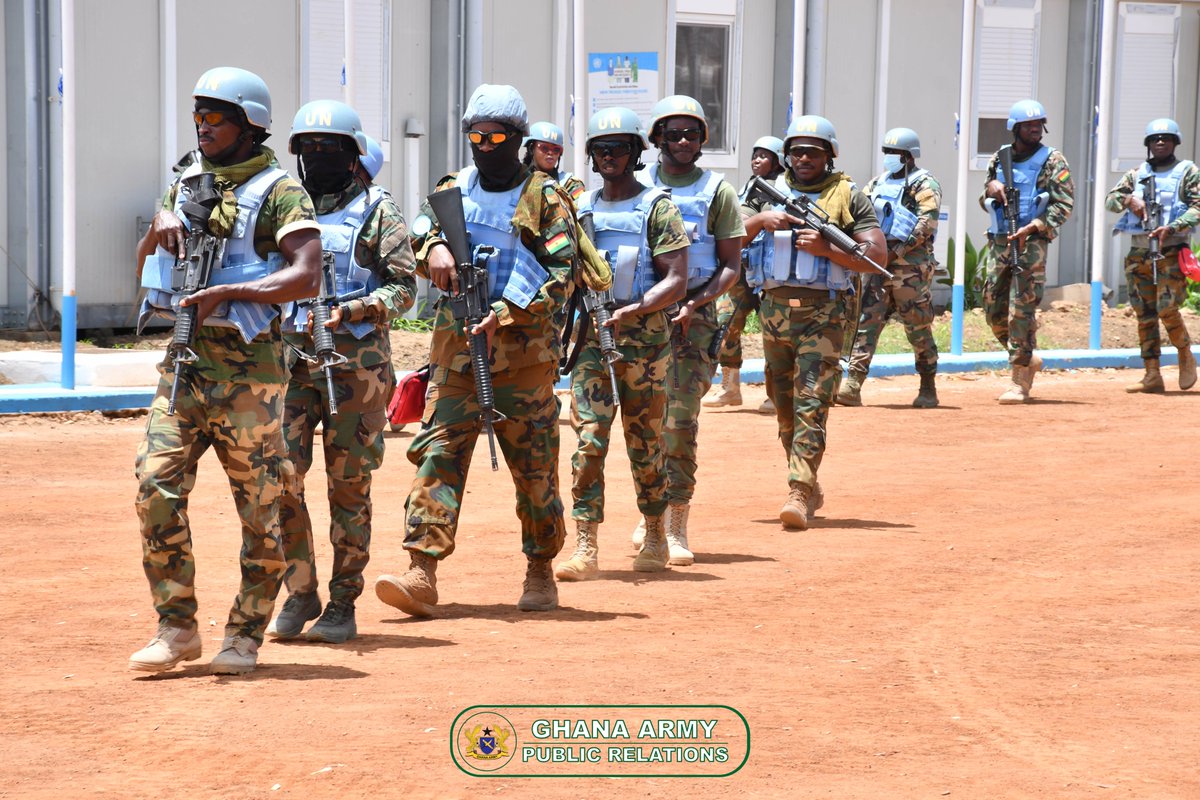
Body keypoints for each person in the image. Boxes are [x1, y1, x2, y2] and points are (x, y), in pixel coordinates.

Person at [130, 66, 323, 674]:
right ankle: (177, 625)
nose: (203, 126)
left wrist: (233, 293)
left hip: (251, 376)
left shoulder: (281, 191)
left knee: (259, 507)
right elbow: (145, 268)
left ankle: (244, 634)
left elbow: (306, 272)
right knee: (154, 487)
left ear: (250, 124)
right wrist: (154, 229)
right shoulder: (184, 183)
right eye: (198, 116)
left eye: (216, 116)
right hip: (184, 367)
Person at [374, 84, 576, 615]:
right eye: (476, 135)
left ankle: (540, 568)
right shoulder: (452, 189)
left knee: (534, 470)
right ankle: (422, 571)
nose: (484, 145)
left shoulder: (546, 198)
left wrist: (505, 313)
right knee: (436, 457)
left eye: (497, 136)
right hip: (458, 355)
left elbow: (562, 274)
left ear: (519, 139)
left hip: (522, 361)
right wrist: (434, 246)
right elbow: (417, 230)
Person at [264, 102, 417, 644]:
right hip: (291, 364)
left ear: (354, 155)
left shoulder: (379, 211)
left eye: (331, 148)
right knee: (279, 477)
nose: (318, 157)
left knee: (349, 487)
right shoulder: (285, 209)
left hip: (358, 370)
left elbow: (405, 289)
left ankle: (343, 600)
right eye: (308, 147)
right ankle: (301, 589)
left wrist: (352, 309)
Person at [555, 107, 689, 580]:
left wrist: (634, 309)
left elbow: (676, 279)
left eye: (618, 148)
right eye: (600, 149)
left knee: (645, 441)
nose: (609, 156)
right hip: (593, 339)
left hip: (645, 344)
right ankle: (585, 544)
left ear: (635, 153)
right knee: (588, 441)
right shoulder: (581, 210)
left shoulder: (658, 206)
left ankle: (654, 532)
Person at [741, 114, 886, 529]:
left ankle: (799, 490)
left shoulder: (848, 195)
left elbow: (876, 257)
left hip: (824, 314)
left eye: (813, 152)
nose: (803, 158)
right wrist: (760, 221)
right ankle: (805, 476)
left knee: (811, 402)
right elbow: (728, 236)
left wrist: (828, 250)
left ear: (829, 156)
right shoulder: (767, 192)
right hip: (773, 314)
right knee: (784, 406)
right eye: (797, 151)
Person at [632, 94, 744, 562]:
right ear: (656, 138)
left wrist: (694, 303)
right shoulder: (634, 185)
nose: (682, 141)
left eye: (691, 134)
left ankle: (675, 523)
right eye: (672, 133)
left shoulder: (717, 191)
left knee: (679, 422)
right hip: (637, 320)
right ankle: (650, 513)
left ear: (703, 140)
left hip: (691, 323)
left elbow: (730, 266)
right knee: (643, 424)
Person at [836, 127, 942, 408]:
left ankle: (927, 385)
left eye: (894, 153)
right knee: (866, 322)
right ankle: (853, 384)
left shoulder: (924, 184)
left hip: (910, 269)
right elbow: (862, 217)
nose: (889, 157)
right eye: (887, 152)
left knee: (917, 326)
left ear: (908, 156)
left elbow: (926, 224)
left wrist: (896, 252)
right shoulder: (876, 183)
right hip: (876, 265)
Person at [980, 99, 1074, 403]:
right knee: (993, 308)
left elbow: (1064, 205)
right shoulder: (999, 158)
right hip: (1000, 242)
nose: (1035, 129)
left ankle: (1019, 378)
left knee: (1022, 309)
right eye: (1028, 125)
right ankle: (1026, 355)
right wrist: (991, 188)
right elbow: (986, 198)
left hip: (1030, 245)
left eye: (1039, 124)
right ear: (1015, 128)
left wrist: (1033, 227)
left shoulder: (1053, 161)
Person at [1106, 118, 1200, 393]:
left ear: (1175, 143)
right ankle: (1151, 374)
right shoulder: (1137, 173)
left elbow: (1198, 206)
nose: (1160, 142)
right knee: (1144, 313)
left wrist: (1172, 226)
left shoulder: (1188, 172)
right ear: (1148, 144)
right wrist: (1128, 200)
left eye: (1166, 138)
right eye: (1155, 139)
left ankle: (1184, 353)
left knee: (1167, 308)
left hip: (1171, 251)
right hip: (1139, 253)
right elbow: (1110, 200)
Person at [705, 135, 786, 410]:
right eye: (755, 154)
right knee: (724, 322)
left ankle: (776, 394)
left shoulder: (779, 190)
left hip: (767, 271)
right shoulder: (749, 187)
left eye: (764, 156)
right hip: (741, 268)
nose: (756, 160)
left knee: (774, 333)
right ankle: (730, 388)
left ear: (778, 161)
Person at [523, 121, 586, 201]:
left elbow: (581, 210)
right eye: (544, 148)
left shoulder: (570, 184)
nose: (550, 152)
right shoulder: (518, 181)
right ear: (531, 149)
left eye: (556, 149)